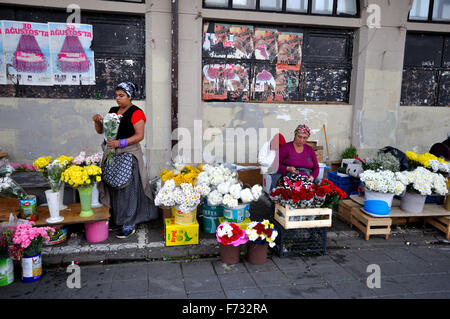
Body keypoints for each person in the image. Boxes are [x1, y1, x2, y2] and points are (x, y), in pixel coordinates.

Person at [92, 82, 157, 239]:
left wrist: (120, 143)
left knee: (128, 190)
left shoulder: (136, 113)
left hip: (128, 155)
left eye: (121, 96)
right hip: (113, 155)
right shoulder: (113, 111)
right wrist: (97, 122)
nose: (118, 99)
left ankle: (129, 222)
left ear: (130, 96)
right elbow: (103, 131)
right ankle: (117, 219)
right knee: (113, 187)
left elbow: (139, 136)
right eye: (116, 96)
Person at [273, 124, 319, 188]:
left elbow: (316, 167)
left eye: (305, 138)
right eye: (299, 137)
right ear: (295, 135)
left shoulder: (310, 149)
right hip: (288, 177)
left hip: (306, 179)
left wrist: (311, 177)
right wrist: (288, 168)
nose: (301, 140)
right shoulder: (285, 148)